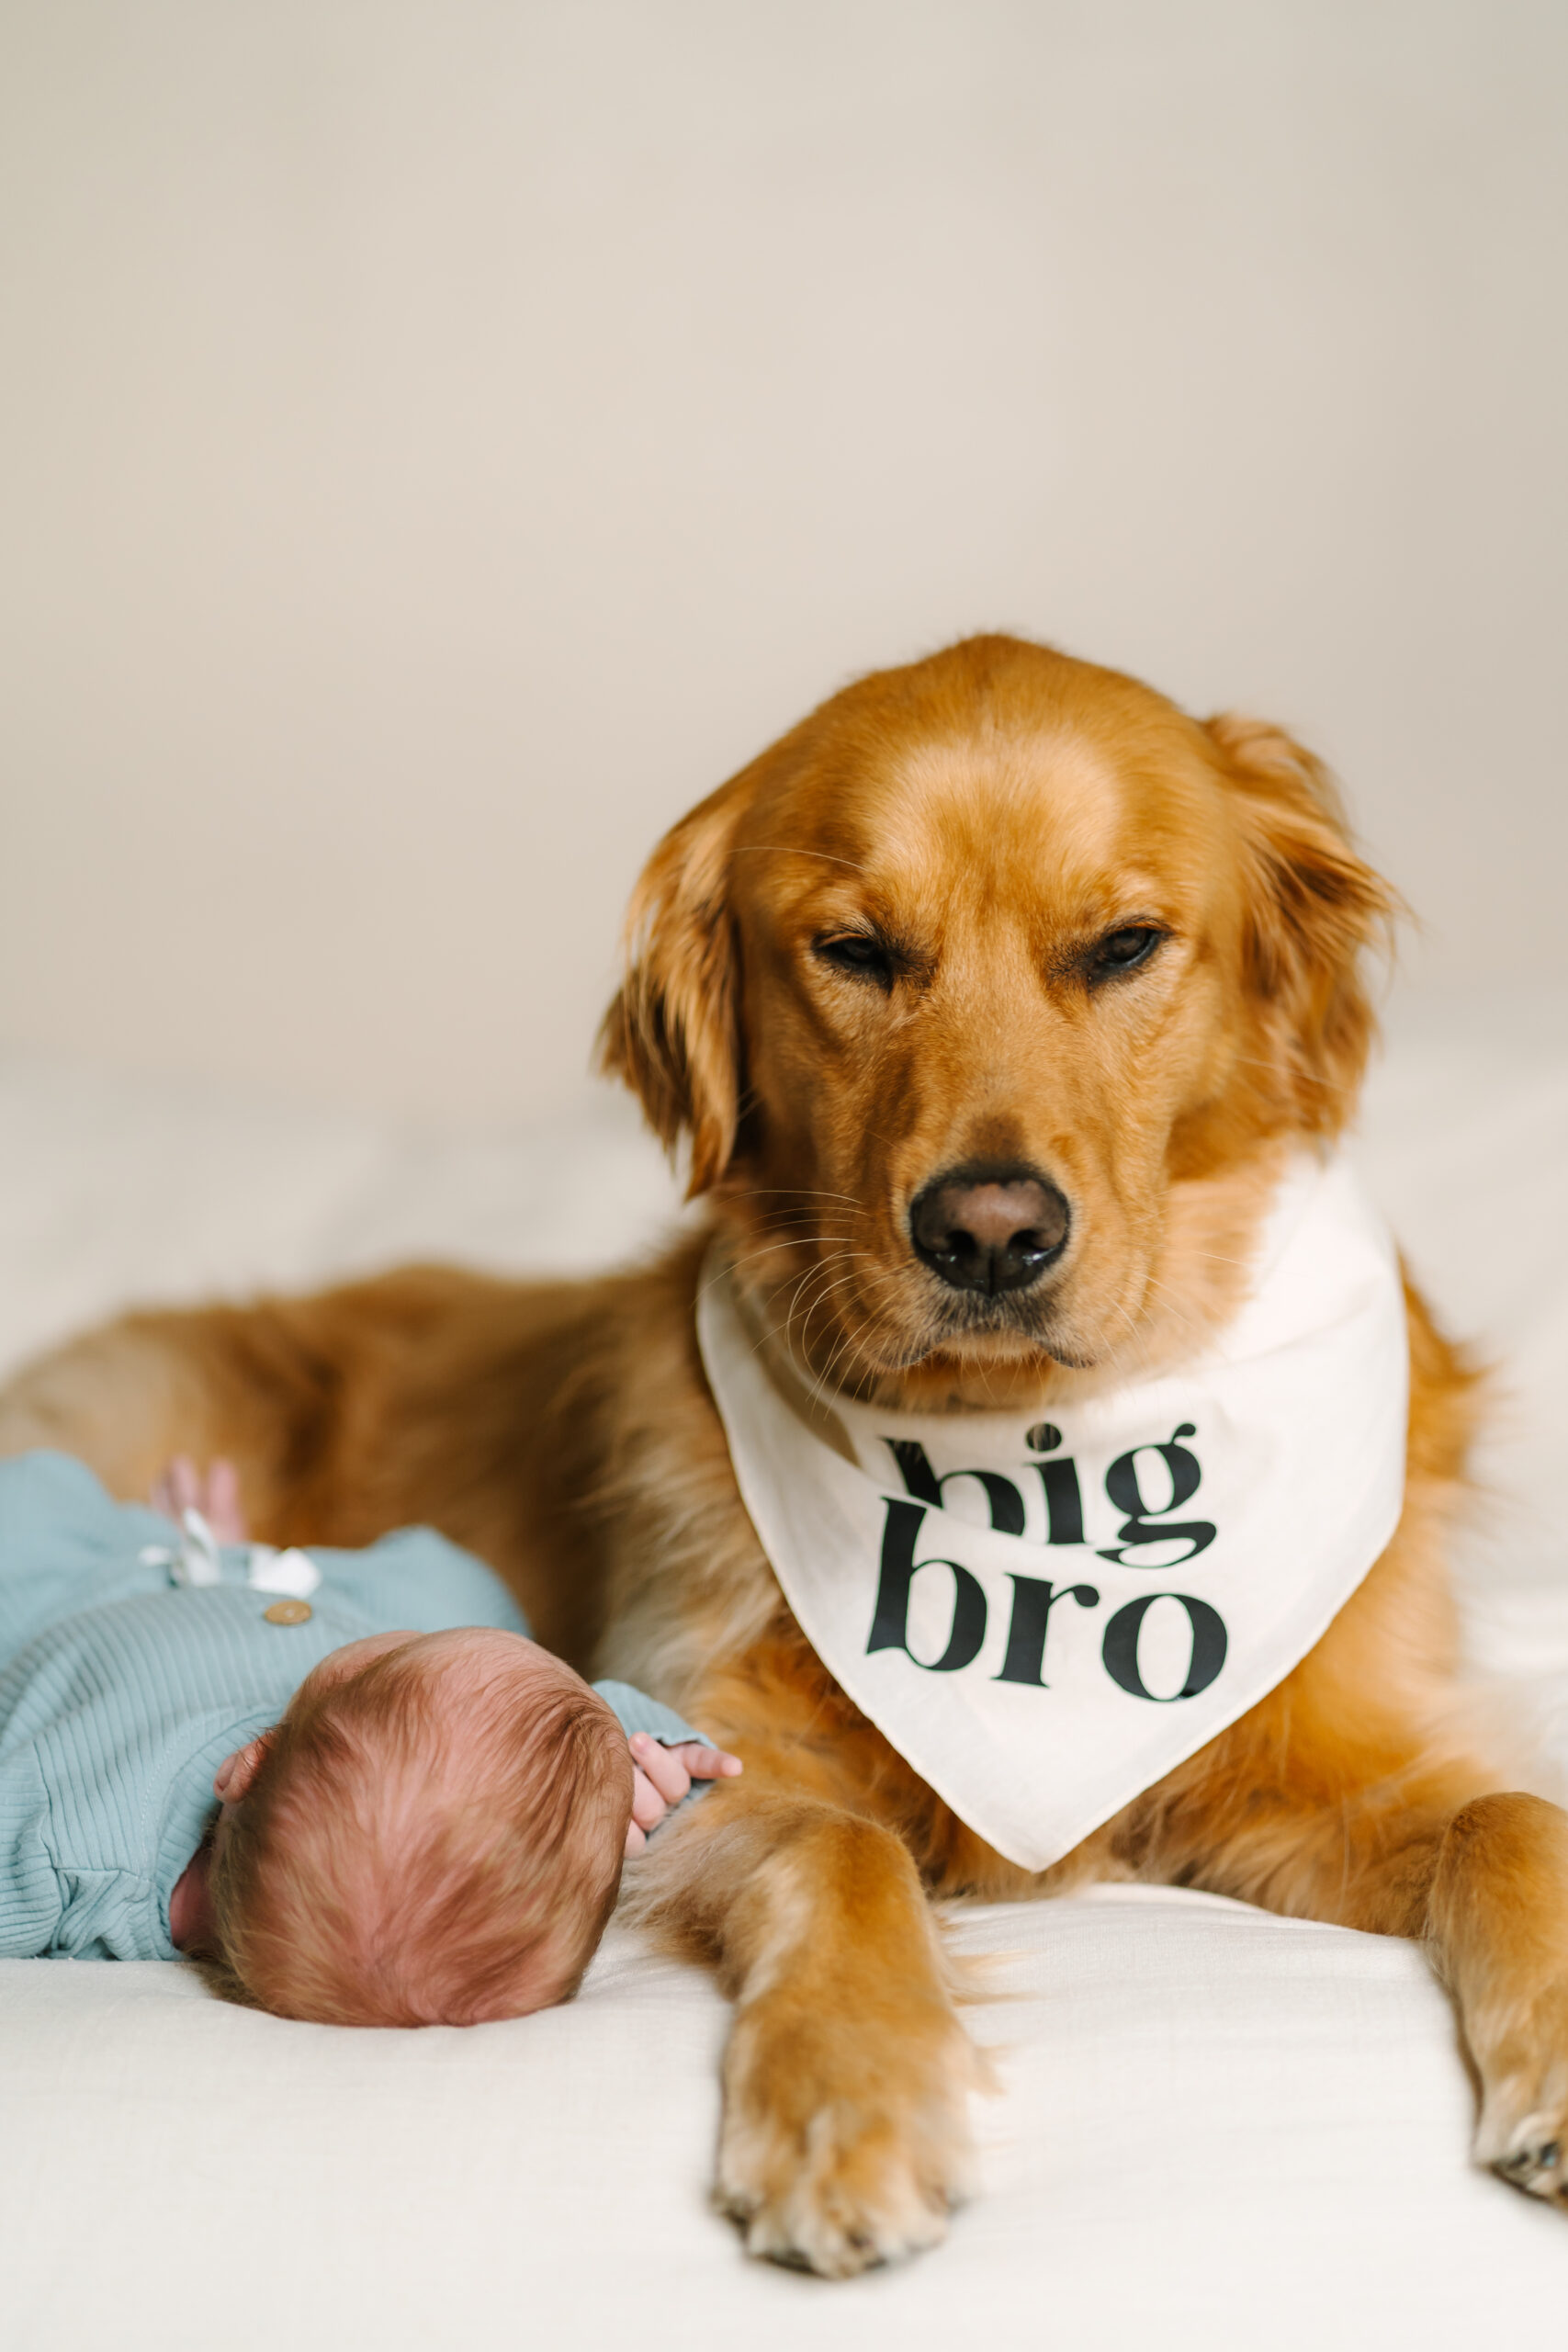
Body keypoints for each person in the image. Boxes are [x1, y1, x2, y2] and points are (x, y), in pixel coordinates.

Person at [0, 1449, 739, 2024]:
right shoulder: (335, 1769)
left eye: (394, 1651)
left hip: (78, 1599)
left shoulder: (71, 1858)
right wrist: (646, 1768)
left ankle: (208, 1557)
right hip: (289, 1604)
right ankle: (236, 1560)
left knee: (31, 1494)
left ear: (245, 1765)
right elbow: (569, 1737)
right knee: (479, 1621)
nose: (403, 1639)